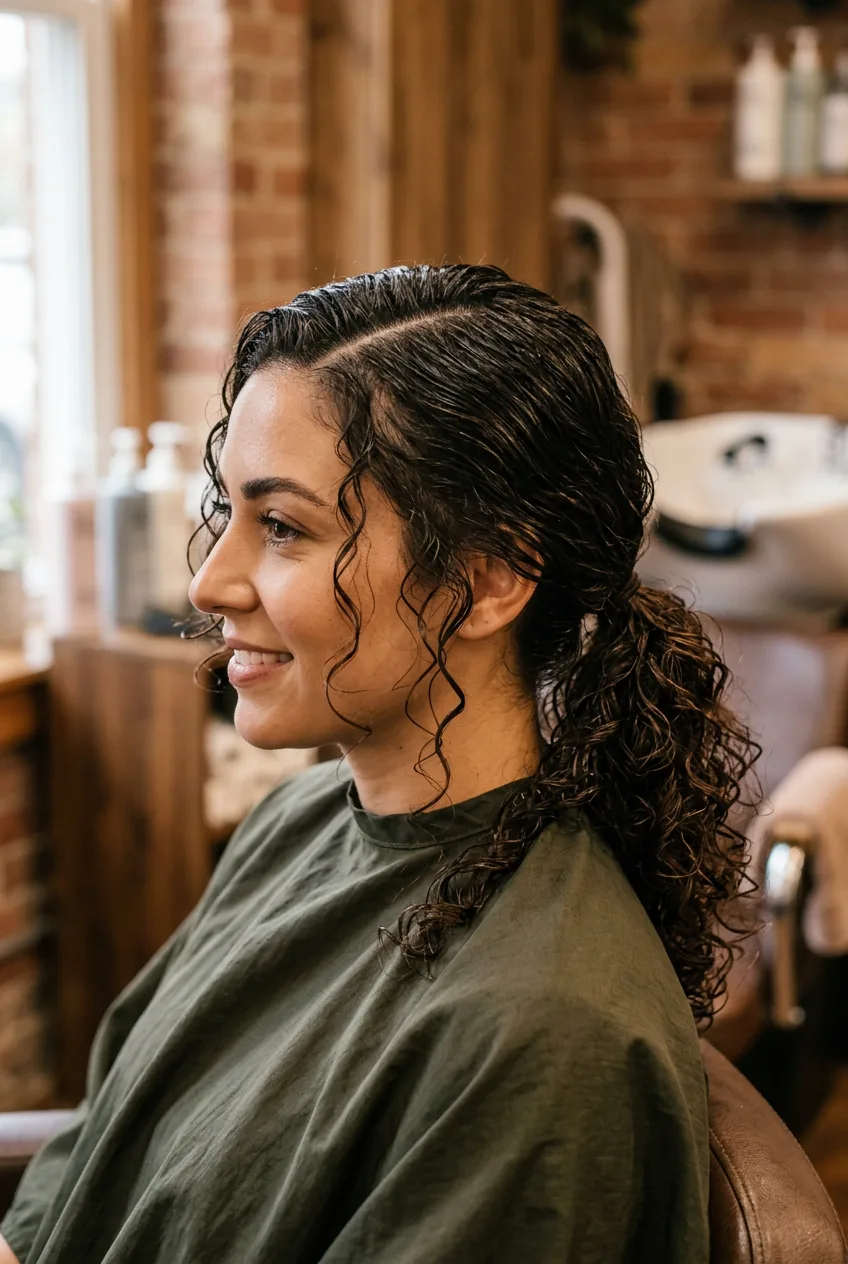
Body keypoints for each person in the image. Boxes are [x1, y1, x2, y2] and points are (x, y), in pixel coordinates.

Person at [0, 264, 757, 1263]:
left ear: (487, 580)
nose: (210, 578)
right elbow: (104, 1154)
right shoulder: (300, 818)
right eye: (226, 511)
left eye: (282, 526)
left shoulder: (539, 1033)